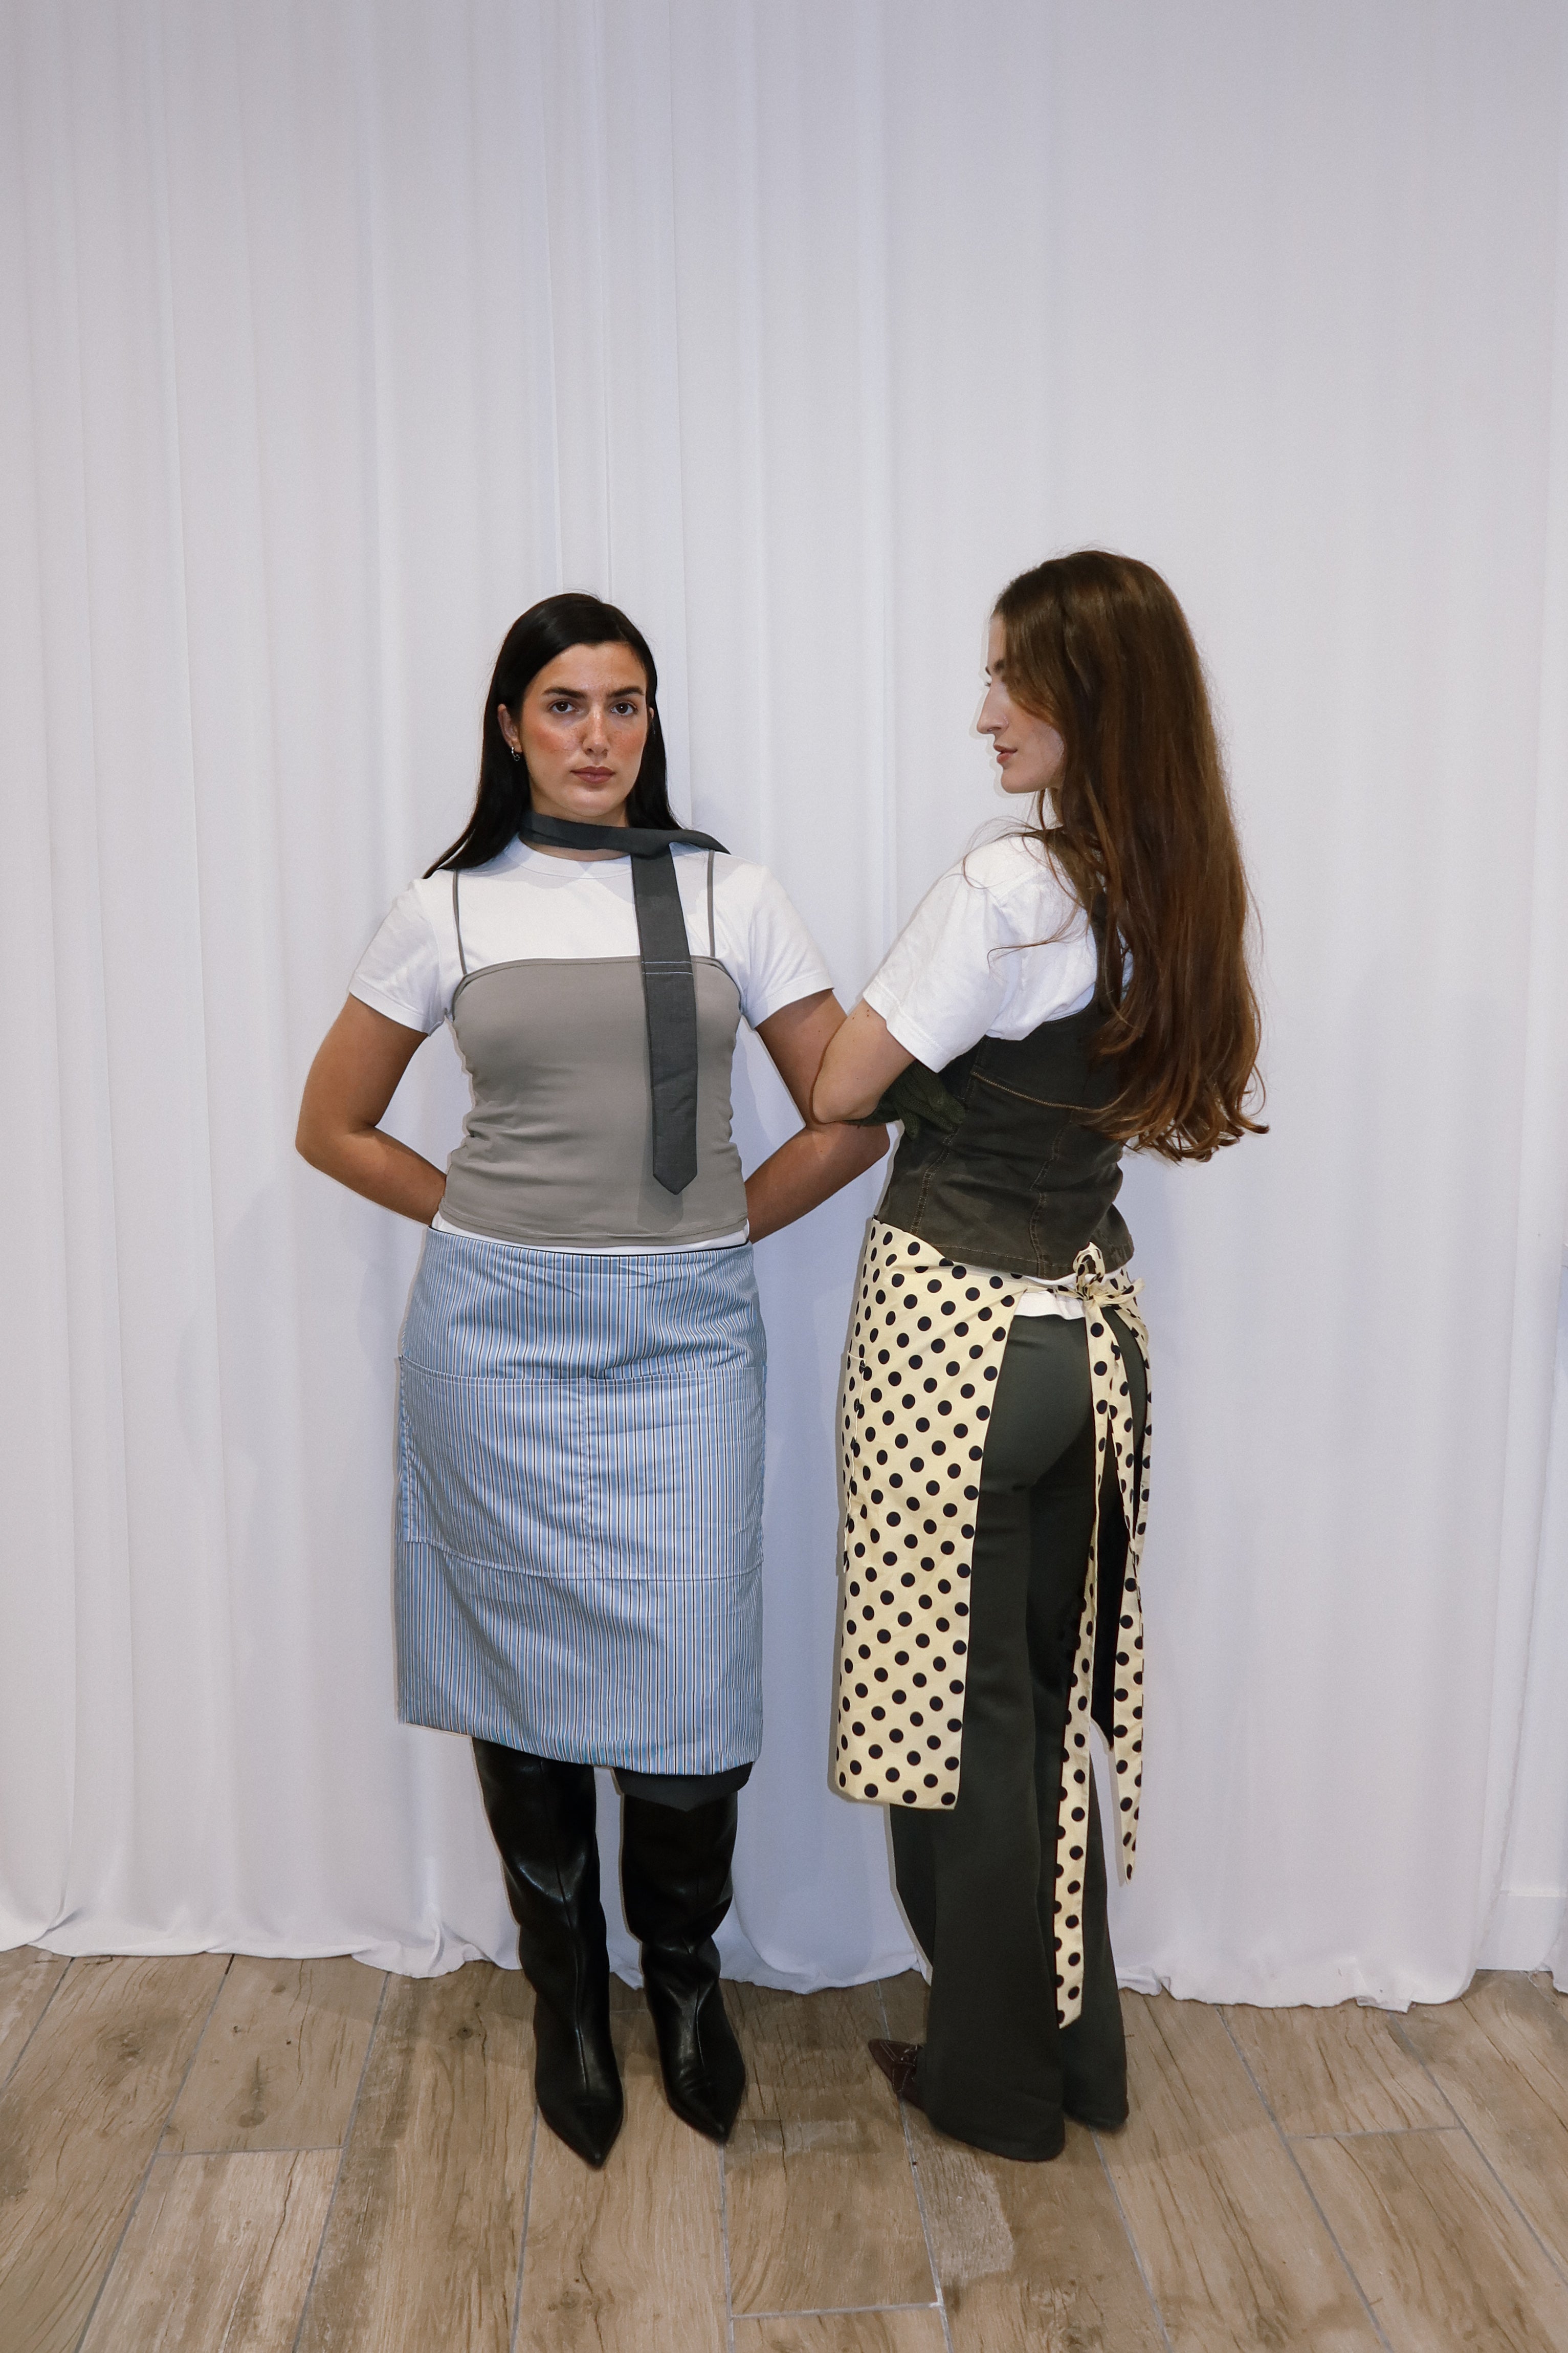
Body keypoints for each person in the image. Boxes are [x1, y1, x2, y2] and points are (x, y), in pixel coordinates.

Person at [297, 593, 885, 2168]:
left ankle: (682, 1980)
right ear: (508, 726)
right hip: (494, 1340)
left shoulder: (725, 893)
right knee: (525, 1680)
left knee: (694, 1695)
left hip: (683, 1339)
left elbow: (849, 1112)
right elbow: (334, 1126)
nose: (597, 739)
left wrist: (718, 1228)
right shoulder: (448, 912)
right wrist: (479, 1220)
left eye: (624, 706)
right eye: (563, 707)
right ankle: (568, 1995)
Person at [811, 550, 1264, 2162]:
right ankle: (1077, 2062)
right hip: (1091, 1341)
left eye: (1015, 679)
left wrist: (821, 1007)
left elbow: (844, 1083)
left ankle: (993, 2084)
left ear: (1091, 703)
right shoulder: (1170, 887)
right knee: (1035, 1705)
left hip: (958, 1338)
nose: (985, 711)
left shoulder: (1011, 886)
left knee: (961, 1719)